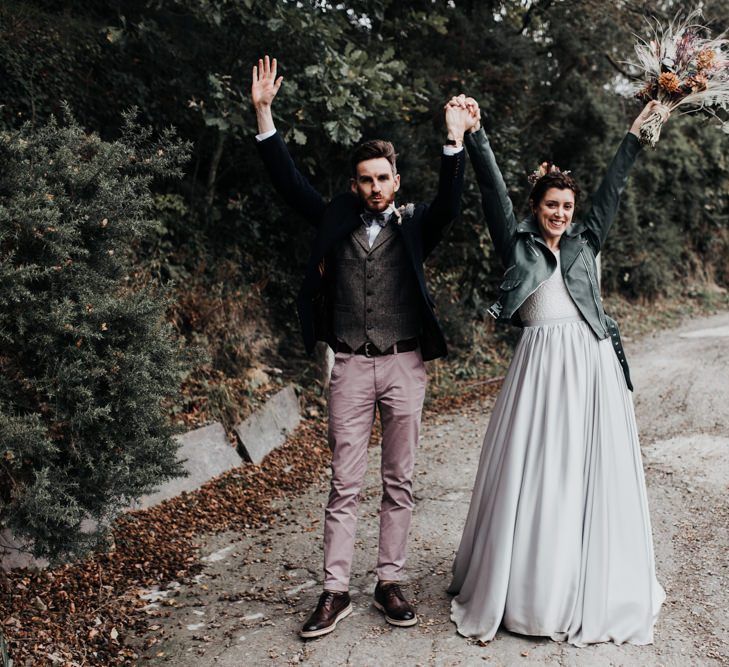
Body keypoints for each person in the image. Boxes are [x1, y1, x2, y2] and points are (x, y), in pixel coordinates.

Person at [250, 56, 476, 638]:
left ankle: (389, 581)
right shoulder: (335, 217)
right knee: (343, 483)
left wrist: (455, 142)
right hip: (349, 364)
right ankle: (334, 591)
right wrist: (264, 113)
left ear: (396, 180)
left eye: (383, 178)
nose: (374, 188)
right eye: (365, 179)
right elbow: (287, 182)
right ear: (355, 184)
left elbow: (451, 208)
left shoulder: (415, 223)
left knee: (399, 481)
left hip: (404, 363)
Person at [447, 96, 668, 646]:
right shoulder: (517, 244)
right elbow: (493, 195)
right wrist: (476, 135)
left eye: (567, 206)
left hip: (591, 370)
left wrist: (639, 132)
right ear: (537, 205)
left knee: (586, 477)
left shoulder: (586, 240)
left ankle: (583, 582)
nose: (562, 213)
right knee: (539, 475)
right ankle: (528, 590)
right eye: (553, 205)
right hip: (539, 373)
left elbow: (613, 185)